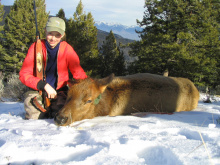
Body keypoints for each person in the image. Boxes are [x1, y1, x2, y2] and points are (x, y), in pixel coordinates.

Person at [19, 17, 87, 119]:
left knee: (63, 115)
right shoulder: (35, 47)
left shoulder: (67, 49)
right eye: (50, 33)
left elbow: (78, 72)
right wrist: (43, 85)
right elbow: (24, 75)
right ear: (45, 31)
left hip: (59, 91)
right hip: (37, 90)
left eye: (57, 35)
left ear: (62, 35)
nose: (53, 38)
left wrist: (89, 87)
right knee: (35, 117)